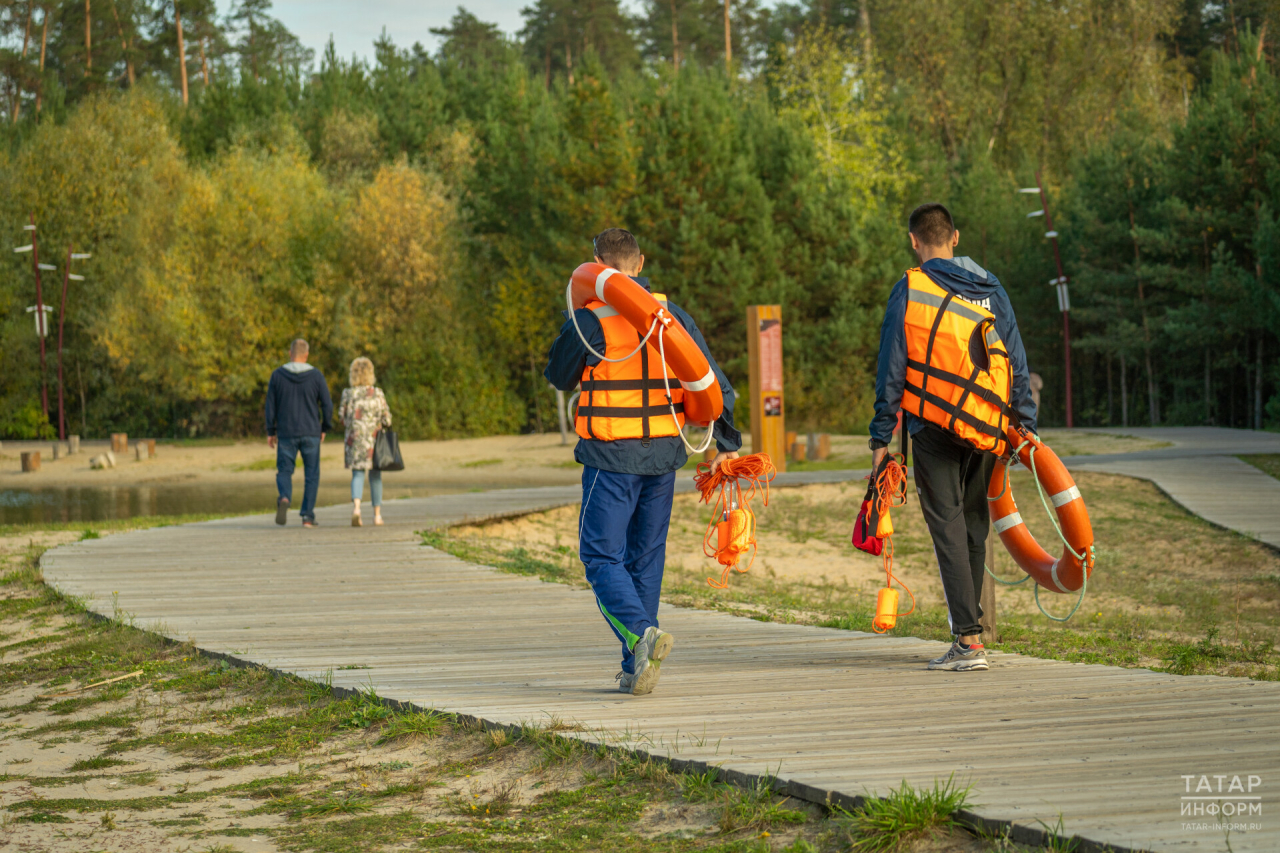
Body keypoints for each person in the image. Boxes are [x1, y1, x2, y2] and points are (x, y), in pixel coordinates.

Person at [545, 228, 742, 696]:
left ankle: (639, 633)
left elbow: (558, 374)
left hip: (611, 456)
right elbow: (712, 379)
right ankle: (636, 666)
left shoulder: (592, 320)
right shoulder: (672, 318)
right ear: (641, 262)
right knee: (645, 561)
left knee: (599, 556)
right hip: (663, 458)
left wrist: (572, 323)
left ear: (595, 264)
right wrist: (728, 442)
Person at [869, 203, 1038, 672]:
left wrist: (882, 437)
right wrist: (1024, 424)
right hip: (986, 427)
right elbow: (1016, 359)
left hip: (932, 426)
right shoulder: (992, 287)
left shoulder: (911, 288)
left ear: (913, 241)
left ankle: (968, 641)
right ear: (956, 237)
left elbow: (892, 368)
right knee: (973, 525)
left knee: (946, 527)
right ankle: (971, 633)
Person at [265, 339, 333, 528]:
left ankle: (285, 497)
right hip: (311, 431)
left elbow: (270, 405)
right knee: (311, 474)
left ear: (290, 353)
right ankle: (307, 517)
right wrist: (325, 427)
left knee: (285, 470)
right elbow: (327, 405)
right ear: (307, 354)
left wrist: (271, 431)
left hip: (286, 432)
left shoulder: (277, 375)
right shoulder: (316, 376)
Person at [337, 357, 392, 527]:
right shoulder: (377, 393)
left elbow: (342, 417)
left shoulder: (348, 393)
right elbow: (387, 418)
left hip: (355, 441)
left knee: (358, 474)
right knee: (375, 476)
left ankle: (357, 509)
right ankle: (377, 515)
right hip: (374, 441)